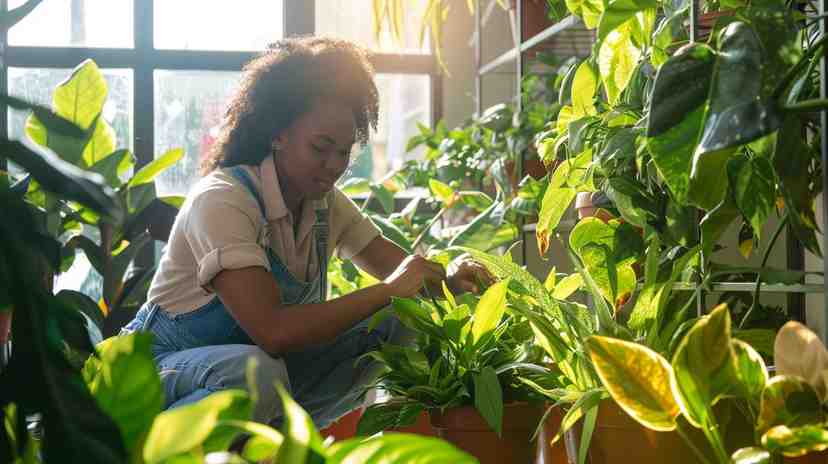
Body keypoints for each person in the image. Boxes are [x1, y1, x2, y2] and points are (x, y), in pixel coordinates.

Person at [121, 37, 489, 428]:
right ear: (277, 134)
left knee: (397, 323)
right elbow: (273, 331)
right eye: (320, 147)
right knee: (258, 373)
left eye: (344, 152)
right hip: (150, 379)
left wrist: (452, 277)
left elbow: (399, 273)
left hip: (245, 385)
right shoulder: (224, 199)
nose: (333, 165)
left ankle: (276, 443)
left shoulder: (325, 204)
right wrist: (387, 290)